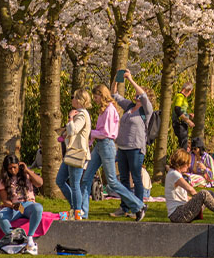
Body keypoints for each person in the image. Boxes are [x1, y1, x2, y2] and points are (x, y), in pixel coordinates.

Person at [81, 84, 146, 221]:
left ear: (102, 95)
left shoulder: (110, 110)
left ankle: (138, 205)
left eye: (96, 96)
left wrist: (89, 132)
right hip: (99, 145)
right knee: (86, 178)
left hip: (107, 145)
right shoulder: (104, 110)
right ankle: (82, 213)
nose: (95, 99)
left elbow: (107, 133)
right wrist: (90, 140)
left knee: (111, 181)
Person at [113, 73, 153, 218]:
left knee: (136, 178)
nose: (136, 95)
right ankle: (124, 207)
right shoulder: (129, 106)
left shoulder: (147, 110)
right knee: (123, 179)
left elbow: (143, 96)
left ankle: (139, 207)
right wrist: (116, 79)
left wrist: (130, 79)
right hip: (122, 148)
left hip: (136, 148)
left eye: (138, 94)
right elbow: (114, 95)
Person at [165, 148, 214, 223]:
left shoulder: (174, 174)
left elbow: (184, 197)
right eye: (188, 163)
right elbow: (190, 190)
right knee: (204, 194)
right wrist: (200, 198)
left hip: (181, 211)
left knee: (209, 193)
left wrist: (198, 200)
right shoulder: (174, 174)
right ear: (182, 163)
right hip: (178, 214)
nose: (188, 166)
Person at [0, 154, 45, 254]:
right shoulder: (4, 181)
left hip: (29, 205)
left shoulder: (26, 175)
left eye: (15, 167)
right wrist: (13, 206)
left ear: (19, 165)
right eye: (10, 168)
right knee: (1, 215)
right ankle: (14, 238)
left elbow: (40, 183)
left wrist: (27, 170)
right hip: (14, 207)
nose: (13, 170)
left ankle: (30, 239)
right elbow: (5, 200)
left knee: (38, 208)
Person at [55, 88, 92, 218]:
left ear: (79, 100)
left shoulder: (81, 114)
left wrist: (70, 117)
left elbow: (74, 130)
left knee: (75, 183)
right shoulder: (80, 114)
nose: (72, 99)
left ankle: (78, 211)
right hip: (71, 153)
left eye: (74, 97)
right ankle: (75, 207)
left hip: (78, 153)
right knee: (60, 180)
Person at [172, 83, 194, 151]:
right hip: (179, 123)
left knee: (184, 144)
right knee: (183, 145)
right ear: (186, 90)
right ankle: (182, 160)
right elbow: (177, 109)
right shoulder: (180, 96)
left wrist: (188, 115)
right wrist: (188, 121)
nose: (189, 94)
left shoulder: (183, 98)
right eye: (190, 92)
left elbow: (182, 111)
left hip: (182, 123)